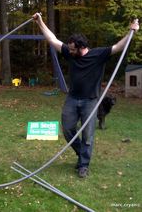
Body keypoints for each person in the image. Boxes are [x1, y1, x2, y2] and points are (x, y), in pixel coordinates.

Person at [33, 13, 139, 178]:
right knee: (68, 129)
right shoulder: (70, 52)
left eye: (73, 49)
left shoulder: (98, 54)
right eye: (70, 48)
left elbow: (118, 47)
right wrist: (40, 22)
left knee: (87, 136)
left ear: (81, 47)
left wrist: (131, 31)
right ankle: (82, 153)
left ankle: (83, 165)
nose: (70, 51)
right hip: (72, 99)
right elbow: (53, 40)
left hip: (91, 102)